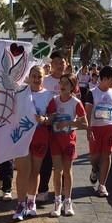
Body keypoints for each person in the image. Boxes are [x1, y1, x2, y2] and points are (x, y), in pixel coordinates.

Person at [13, 65, 53, 220]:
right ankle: (20, 204)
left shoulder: (48, 95)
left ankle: (31, 201)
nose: (36, 79)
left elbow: (52, 117)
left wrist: (45, 120)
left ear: (44, 78)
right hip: (22, 136)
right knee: (23, 171)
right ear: (29, 77)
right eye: (34, 76)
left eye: (40, 76)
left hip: (40, 137)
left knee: (35, 171)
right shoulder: (20, 93)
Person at [47, 74, 87, 217]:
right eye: (61, 82)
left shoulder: (76, 103)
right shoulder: (53, 101)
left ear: (72, 87)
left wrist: (68, 123)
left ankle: (68, 201)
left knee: (67, 170)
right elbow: (49, 118)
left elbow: (85, 123)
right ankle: (57, 202)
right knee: (57, 171)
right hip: (56, 139)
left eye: (66, 83)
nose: (62, 86)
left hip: (69, 139)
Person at [85, 66, 112, 197]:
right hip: (96, 128)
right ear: (104, 78)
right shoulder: (92, 93)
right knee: (95, 156)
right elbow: (88, 112)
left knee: (107, 155)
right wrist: (88, 129)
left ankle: (102, 185)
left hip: (110, 127)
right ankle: (95, 168)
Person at [37, 52, 67, 203]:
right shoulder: (45, 81)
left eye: (63, 62)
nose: (60, 65)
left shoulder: (70, 81)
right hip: (48, 125)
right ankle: (42, 190)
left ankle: (61, 192)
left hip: (65, 128)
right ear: (52, 65)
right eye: (57, 63)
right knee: (46, 159)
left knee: (63, 161)